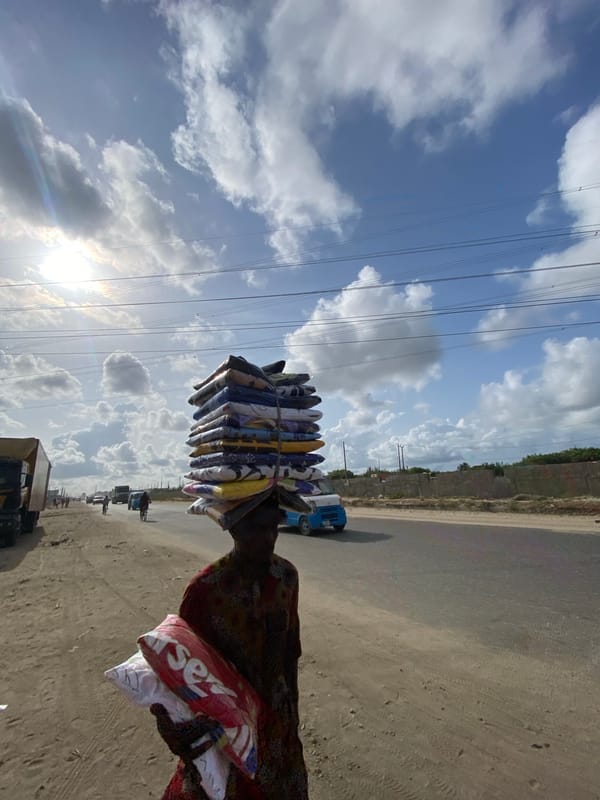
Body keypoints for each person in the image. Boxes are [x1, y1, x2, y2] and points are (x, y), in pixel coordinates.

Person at [154, 491, 308, 800]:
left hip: (277, 720)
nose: (268, 538)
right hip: (225, 726)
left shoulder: (286, 578)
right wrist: (177, 728)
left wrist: (292, 713)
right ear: (234, 529)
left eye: (273, 528)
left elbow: (292, 651)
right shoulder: (206, 590)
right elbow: (178, 667)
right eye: (256, 529)